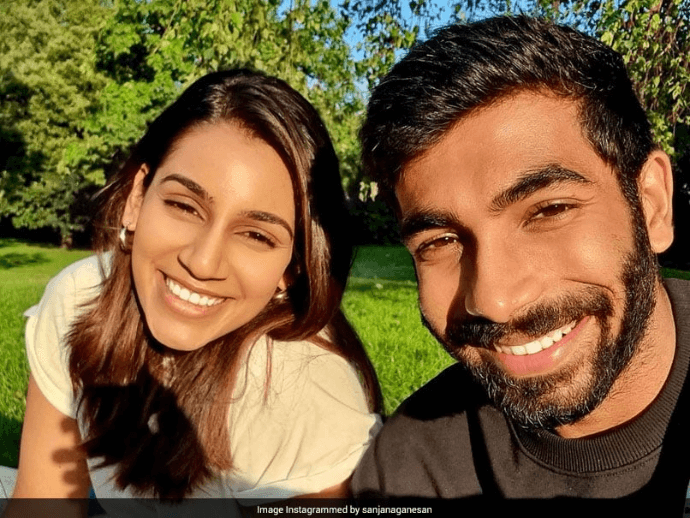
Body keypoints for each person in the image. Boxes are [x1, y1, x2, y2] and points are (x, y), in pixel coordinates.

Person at [351, 15, 690, 513]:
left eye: (549, 210)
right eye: (441, 240)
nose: (494, 300)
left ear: (652, 204)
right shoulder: (407, 475)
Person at [6, 69, 382, 515]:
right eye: (185, 206)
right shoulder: (80, 297)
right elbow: (43, 504)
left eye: (257, 235)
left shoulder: (302, 388)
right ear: (136, 199)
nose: (202, 263)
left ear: (292, 270)